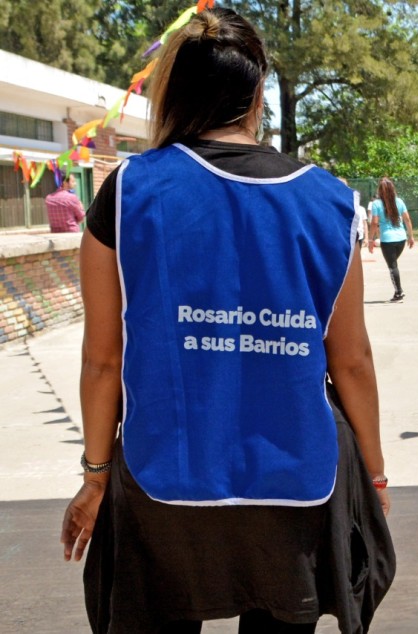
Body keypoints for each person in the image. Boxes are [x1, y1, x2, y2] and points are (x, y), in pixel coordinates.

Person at [60, 9, 395, 634]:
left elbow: (103, 360)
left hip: (163, 483)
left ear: (177, 94)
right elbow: (351, 361)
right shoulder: (329, 200)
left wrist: (96, 477)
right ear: (257, 96)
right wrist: (373, 476)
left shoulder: (130, 191)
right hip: (297, 484)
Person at [369, 178, 415, 302]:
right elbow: (407, 219)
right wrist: (411, 236)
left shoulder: (376, 204)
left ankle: (399, 292)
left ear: (380, 190)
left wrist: (370, 240)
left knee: (392, 266)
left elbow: (374, 223)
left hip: (388, 240)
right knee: (393, 264)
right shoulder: (399, 201)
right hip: (401, 239)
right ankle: (398, 291)